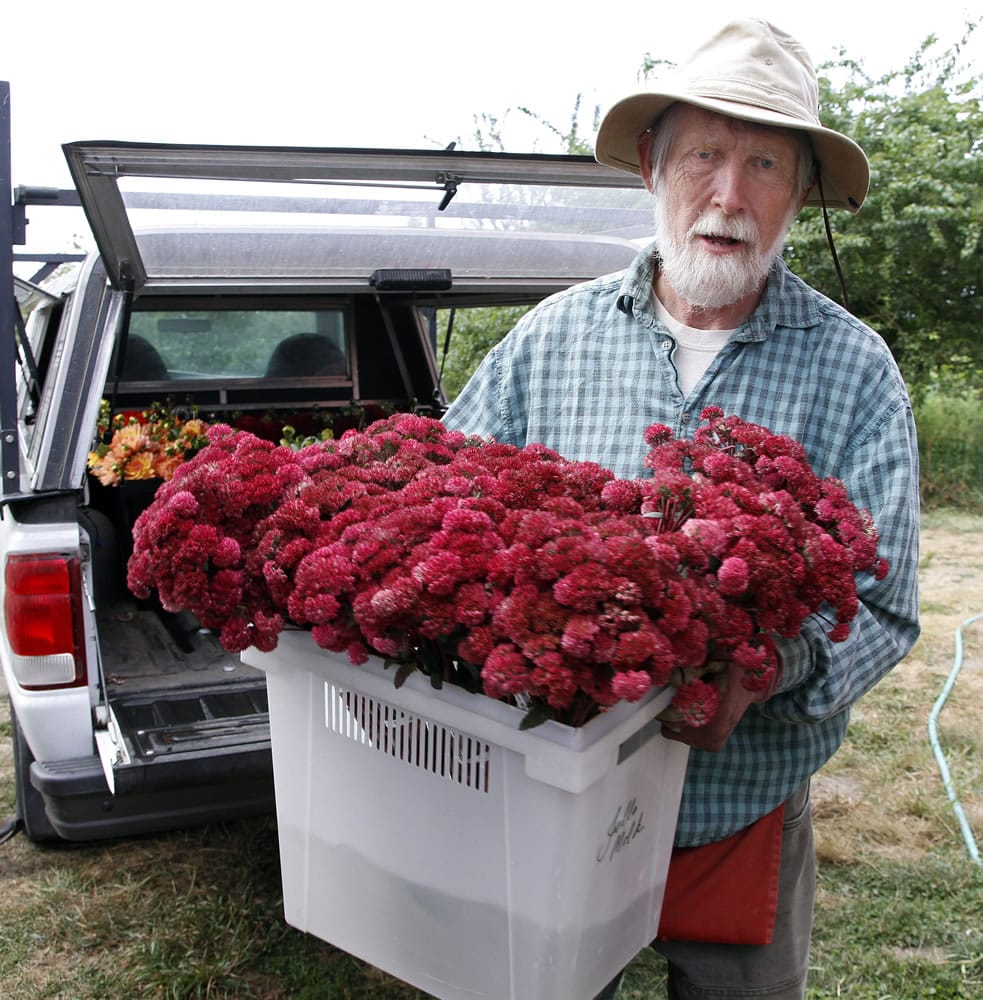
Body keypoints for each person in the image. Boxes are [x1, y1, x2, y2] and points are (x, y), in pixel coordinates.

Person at [442, 18, 920, 1000]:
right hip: (554, 799)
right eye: (702, 154)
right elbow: (436, 508)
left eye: (763, 164)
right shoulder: (547, 342)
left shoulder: (854, 371)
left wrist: (762, 671)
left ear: (799, 194)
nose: (728, 194)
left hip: (738, 807)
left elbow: (882, 606)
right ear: (654, 166)